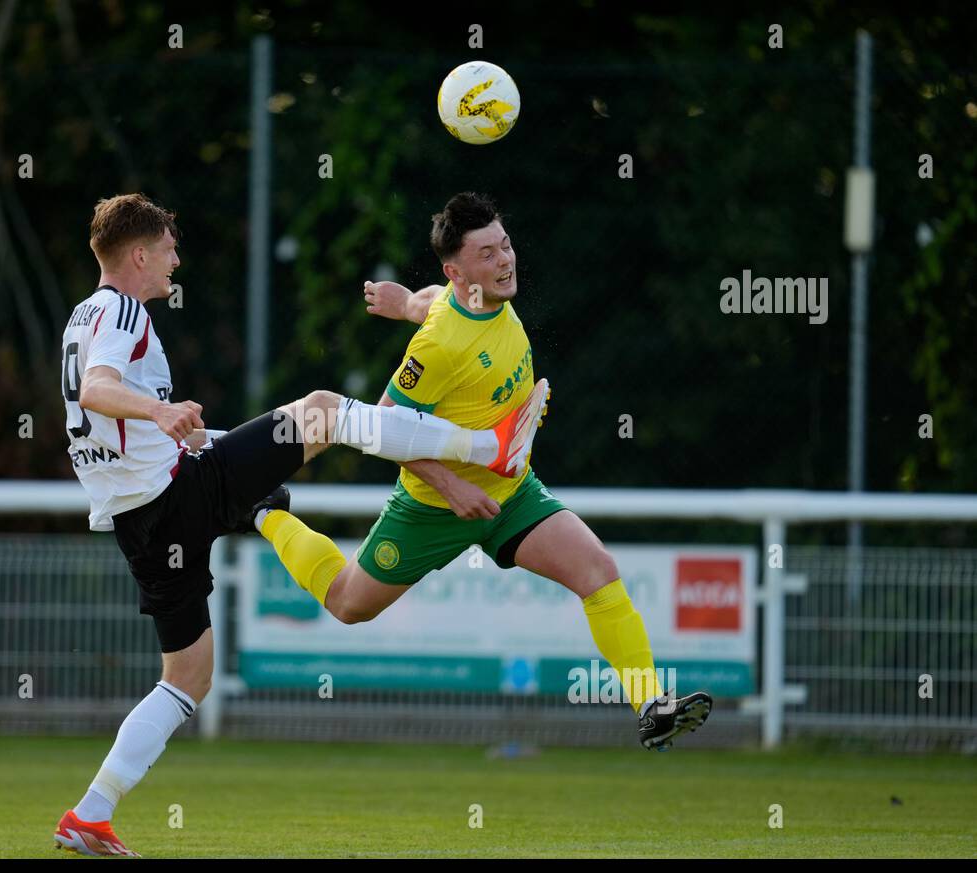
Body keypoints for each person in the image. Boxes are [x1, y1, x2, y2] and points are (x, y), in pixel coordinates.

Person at [53, 193, 547, 857]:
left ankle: (90, 813)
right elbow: (97, 390)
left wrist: (183, 431)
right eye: (168, 248)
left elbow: (104, 414)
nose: (176, 258)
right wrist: (159, 412)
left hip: (141, 519)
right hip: (174, 496)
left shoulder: (83, 315)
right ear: (138, 255)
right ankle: (490, 448)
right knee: (322, 409)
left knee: (188, 678)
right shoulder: (119, 307)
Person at [256, 192, 712, 756]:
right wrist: (451, 486)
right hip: (432, 509)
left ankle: (650, 705)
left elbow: (436, 303)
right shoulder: (440, 347)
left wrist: (404, 305)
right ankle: (268, 512)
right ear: (457, 269)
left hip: (513, 495)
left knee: (598, 570)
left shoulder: (480, 297)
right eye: (489, 253)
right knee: (348, 604)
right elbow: (379, 427)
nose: (506, 261)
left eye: (507, 245)